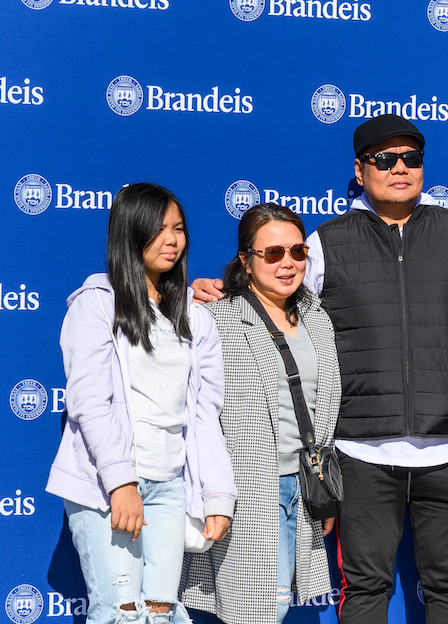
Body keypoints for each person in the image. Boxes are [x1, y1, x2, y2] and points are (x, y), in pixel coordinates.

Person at [193, 114, 448, 623]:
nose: (400, 168)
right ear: (360, 170)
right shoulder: (325, 242)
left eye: (411, 158)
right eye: (385, 159)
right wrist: (214, 294)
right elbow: (279, 302)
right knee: (364, 591)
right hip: (359, 455)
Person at [46, 183, 236, 624]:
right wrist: (120, 484)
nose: (173, 240)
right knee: (120, 613)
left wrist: (218, 494)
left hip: (170, 485)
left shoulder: (195, 316)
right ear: (129, 234)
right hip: (104, 488)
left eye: (179, 229)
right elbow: (89, 401)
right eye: (159, 229)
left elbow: (206, 414)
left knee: (161, 612)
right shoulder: (95, 306)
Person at [180, 203, 341, 624]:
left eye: (297, 252)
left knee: (277, 603)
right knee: (256, 609)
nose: (287, 263)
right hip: (247, 490)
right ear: (246, 262)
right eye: (272, 253)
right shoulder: (217, 317)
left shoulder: (318, 319)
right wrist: (185, 294)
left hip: (304, 486)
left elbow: (323, 407)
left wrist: (321, 493)